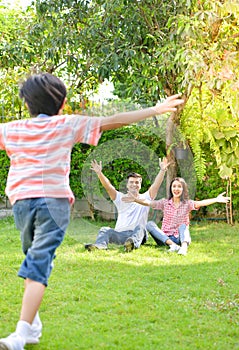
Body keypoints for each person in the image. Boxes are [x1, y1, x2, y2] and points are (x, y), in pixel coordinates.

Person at [0, 72, 184, 350]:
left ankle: (20, 334)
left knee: (36, 261)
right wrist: (155, 110)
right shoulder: (64, 123)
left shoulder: (13, 129)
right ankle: (33, 325)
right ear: (62, 104)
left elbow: (110, 122)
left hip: (36, 204)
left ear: (26, 102)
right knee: (34, 261)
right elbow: (113, 120)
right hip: (38, 205)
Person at [122, 177, 230, 256]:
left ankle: (183, 248)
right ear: (171, 189)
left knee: (183, 226)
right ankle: (172, 245)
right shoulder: (165, 202)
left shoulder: (187, 203)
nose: (176, 189)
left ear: (183, 189)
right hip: (164, 238)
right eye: (174, 186)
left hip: (179, 238)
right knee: (150, 224)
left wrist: (216, 199)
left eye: (179, 186)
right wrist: (135, 199)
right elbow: (149, 203)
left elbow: (201, 203)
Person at [85, 157, 170, 252]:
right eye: (131, 182)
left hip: (138, 234)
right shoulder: (120, 198)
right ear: (127, 185)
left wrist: (162, 170)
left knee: (141, 227)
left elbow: (156, 185)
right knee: (104, 229)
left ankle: (131, 244)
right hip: (121, 234)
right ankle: (100, 246)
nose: (134, 184)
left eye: (137, 182)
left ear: (140, 185)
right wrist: (99, 173)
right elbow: (108, 187)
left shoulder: (146, 197)